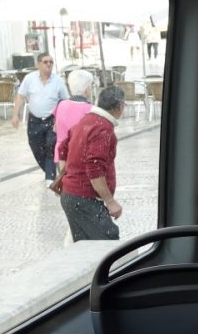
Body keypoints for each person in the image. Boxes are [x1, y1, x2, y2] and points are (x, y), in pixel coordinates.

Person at [52, 85, 124, 241]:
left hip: (72, 197)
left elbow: (62, 148)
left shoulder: (87, 120)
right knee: (108, 242)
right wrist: (110, 202)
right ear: (120, 106)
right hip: (84, 199)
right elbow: (94, 168)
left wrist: (68, 179)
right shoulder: (103, 128)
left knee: (86, 246)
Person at [10, 53, 69, 185]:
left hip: (52, 120)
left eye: (51, 62)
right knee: (36, 148)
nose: (49, 64)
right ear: (38, 64)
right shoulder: (29, 79)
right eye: (45, 62)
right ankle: (49, 171)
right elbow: (20, 96)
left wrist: (62, 120)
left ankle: (50, 178)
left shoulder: (58, 81)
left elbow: (65, 101)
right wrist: (15, 114)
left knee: (51, 146)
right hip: (34, 120)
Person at [53, 69, 97, 154]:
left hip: (60, 153)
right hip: (78, 154)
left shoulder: (60, 105)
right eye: (91, 85)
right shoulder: (91, 110)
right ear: (87, 88)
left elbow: (55, 129)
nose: (91, 88)